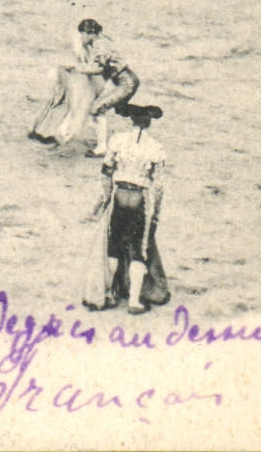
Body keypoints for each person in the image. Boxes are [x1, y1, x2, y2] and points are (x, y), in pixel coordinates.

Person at [84, 104, 170, 314]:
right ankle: (134, 301)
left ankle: (109, 293)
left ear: (131, 120)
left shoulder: (118, 140)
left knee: (114, 245)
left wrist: (105, 198)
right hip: (139, 198)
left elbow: (106, 172)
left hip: (119, 195)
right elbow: (158, 186)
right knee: (138, 249)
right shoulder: (156, 148)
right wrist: (155, 213)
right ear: (148, 123)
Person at [30, 19, 112, 147]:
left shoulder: (83, 43)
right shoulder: (78, 44)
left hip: (69, 74)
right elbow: (73, 64)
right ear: (86, 32)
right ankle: (41, 132)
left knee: (60, 103)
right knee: (60, 102)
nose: (92, 39)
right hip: (65, 74)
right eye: (91, 36)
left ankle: (41, 131)